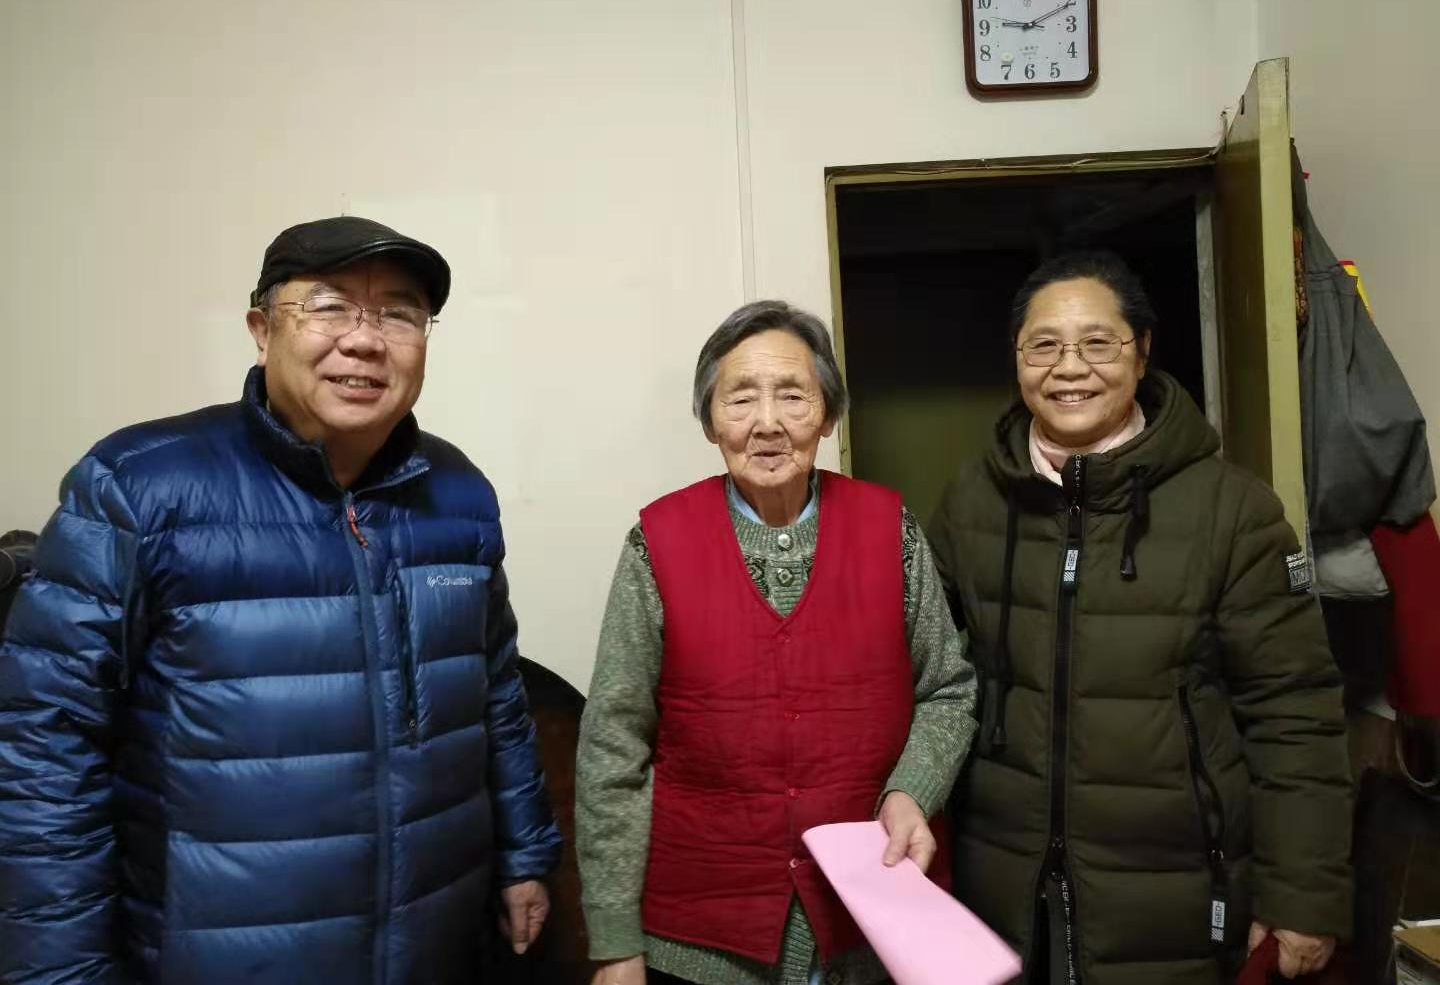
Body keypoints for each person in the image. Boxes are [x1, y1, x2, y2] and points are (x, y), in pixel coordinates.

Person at [0, 216, 563, 983]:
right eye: (329, 307)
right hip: (217, 955)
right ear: (262, 332)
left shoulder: (459, 493)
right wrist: (59, 971)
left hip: (434, 938)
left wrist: (524, 854)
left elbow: (495, 694)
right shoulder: (137, 485)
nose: (364, 341)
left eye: (398, 314)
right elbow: (44, 745)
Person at [927, 251, 1352, 984]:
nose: (1070, 368)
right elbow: (922, 674)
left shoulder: (1232, 511)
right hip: (1002, 891)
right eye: (1044, 346)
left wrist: (1304, 897)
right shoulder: (973, 501)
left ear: (1143, 350)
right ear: (1017, 357)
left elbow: (1295, 712)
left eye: (1098, 342)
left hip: (1177, 900)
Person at [576, 300, 977, 985]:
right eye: (740, 398)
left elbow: (948, 688)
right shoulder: (657, 544)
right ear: (711, 421)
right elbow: (614, 744)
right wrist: (615, 941)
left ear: (828, 414)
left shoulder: (892, 531)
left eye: (792, 395)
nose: (767, 422)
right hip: (702, 937)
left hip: (873, 919)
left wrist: (912, 790)